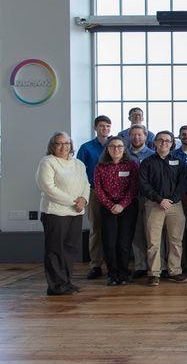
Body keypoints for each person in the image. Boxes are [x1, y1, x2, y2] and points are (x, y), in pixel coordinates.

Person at [36, 132, 91, 296]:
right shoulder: (48, 162)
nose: (63, 147)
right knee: (55, 249)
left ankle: (66, 281)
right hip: (55, 212)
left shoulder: (78, 164)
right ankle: (55, 285)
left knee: (69, 248)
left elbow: (86, 184)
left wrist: (84, 200)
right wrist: (74, 202)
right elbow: (48, 188)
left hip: (75, 213)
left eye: (66, 143)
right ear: (52, 145)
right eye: (59, 143)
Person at [138, 131, 187, 286]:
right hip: (154, 205)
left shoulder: (179, 162)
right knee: (153, 241)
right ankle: (154, 273)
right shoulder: (146, 163)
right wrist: (160, 200)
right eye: (160, 140)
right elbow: (144, 184)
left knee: (175, 240)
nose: (164, 143)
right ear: (154, 143)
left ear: (172, 143)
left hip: (175, 205)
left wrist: (172, 200)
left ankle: (175, 271)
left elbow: (183, 184)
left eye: (168, 141)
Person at [93, 136, 139, 286]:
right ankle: (112, 274)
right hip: (108, 208)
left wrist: (122, 205)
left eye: (120, 146)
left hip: (128, 207)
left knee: (124, 243)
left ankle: (124, 272)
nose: (116, 149)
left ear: (125, 148)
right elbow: (98, 189)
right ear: (107, 149)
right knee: (110, 243)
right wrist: (110, 205)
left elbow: (134, 188)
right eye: (112, 146)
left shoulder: (131, 165)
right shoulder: (100, 166)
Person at [76, 115, 112, 280]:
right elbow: (78, 172)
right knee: (96, 229)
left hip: (114, 194)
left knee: (113, 229)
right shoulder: (86, 148)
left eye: (107, 126)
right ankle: (96, 265)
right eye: (102, 126)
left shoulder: (116, 145)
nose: (105, 129)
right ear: (95, 128)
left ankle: (113, 264)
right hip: (94, 192)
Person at [125, 124, 155, 278]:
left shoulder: (153, 155)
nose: (137, 138)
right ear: (129, 136)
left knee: (151, 233)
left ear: (145, 136)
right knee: (137, 233)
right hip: (131, 199)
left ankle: (154, 266)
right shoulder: (124, 155)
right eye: (134, 135)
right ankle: (140, 265)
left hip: (150, 199)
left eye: (140, 135)